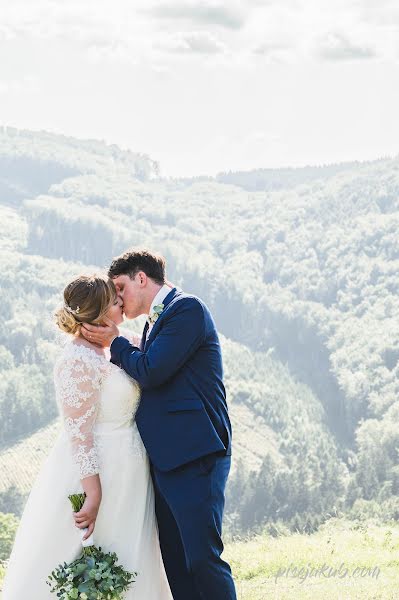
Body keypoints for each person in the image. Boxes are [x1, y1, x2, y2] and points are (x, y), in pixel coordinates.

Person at [2, 274, 172, 599]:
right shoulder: (76, 360)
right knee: (84, 551)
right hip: (95, 472)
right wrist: (92, 493)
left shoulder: (112, 347)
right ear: (96, 312)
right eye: (113, 300)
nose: (120, 303)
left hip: (132, 470)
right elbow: (79, 436)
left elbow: (149, 349)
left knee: (131, 549)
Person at [81, 249, 237, 600]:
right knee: (177, 565)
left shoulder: (187, 309)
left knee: (202, 559)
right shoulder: (154, 323)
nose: (117, 296)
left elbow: (151, 371)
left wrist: (114, 343)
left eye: (120, 286)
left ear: (141, 278)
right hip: (166, 460)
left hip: (197, 454)